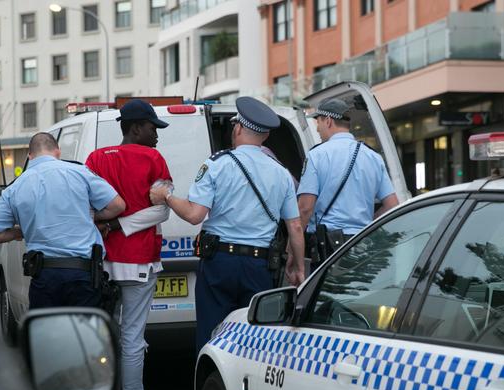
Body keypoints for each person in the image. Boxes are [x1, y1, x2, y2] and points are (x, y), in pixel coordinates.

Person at [0, 132, 126, 390]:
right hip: (82, 275)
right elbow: (117, 205)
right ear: (57, 151)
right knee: (89, 348)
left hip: (45, 277)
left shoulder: (18, 186)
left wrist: (20, 231)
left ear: (30, 156)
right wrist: (90, 217)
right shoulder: (78, 172)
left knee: (46, 347)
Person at [150, 96, 305, 352]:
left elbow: (194, 215)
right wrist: (297, 266)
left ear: (237, 128)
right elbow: (295, 228)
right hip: (260, 266)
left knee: (213, 339)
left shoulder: (217, 164)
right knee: (256, 342)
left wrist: (165, 196)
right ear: (265, 136)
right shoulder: (281, 173)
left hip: (220, 264)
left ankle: (212, 389)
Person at [85, 99, 172, 390]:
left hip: (103, 261)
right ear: (136, 127)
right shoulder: (153, 159)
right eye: (153, 127)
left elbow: (88, 207)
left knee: (102, 339)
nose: (156, 135)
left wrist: (109, 224)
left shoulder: (94, 159)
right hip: (138, 260)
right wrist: (123, 223)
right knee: (133, 340)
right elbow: (161, 212)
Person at [295, 98, 399, 270]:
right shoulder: (373, 157)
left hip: (328, 249)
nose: (317, 128)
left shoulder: (317, 155)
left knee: (328, 296)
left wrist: (293, 251)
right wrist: (366, 225)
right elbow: (392, 205)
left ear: (327, 121)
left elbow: (305, 208)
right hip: (363, 245)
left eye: (318, 121)